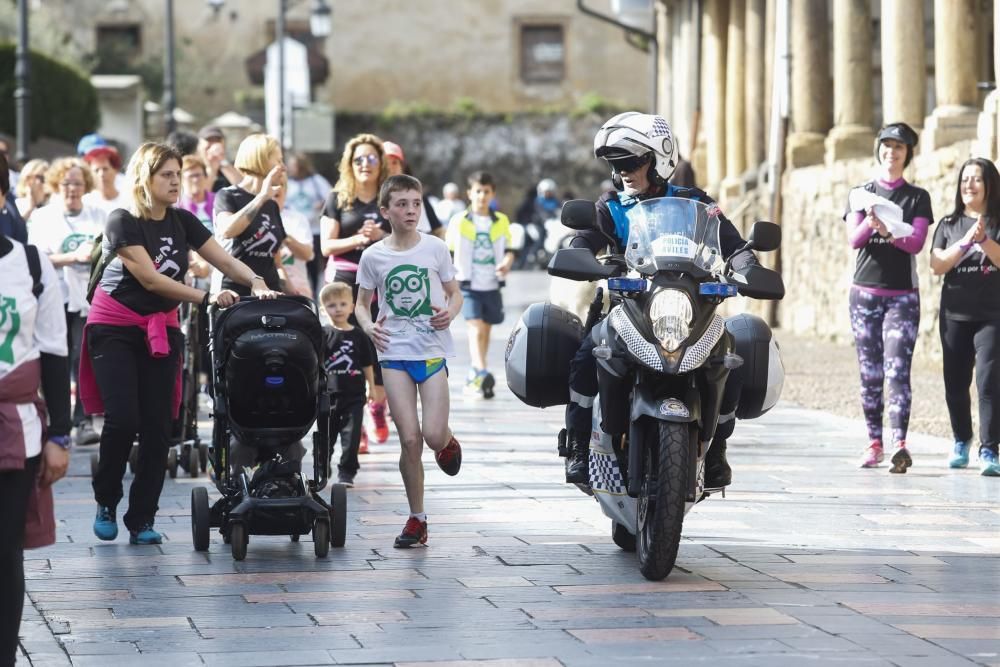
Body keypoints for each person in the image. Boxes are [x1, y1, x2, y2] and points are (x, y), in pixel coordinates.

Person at [82, 142, 280, 546]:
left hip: (161, 327)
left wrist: (255, 280)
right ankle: (107, 500)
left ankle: (141, 519)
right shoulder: (122, 220)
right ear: (145, 178)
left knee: (159, 427)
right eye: (166, 176)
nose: (176, 182)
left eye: (177, 175)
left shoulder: (183, 221)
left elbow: (223, 260)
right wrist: (205, 297)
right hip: (115, 325)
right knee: (123, 419)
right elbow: (151, 280)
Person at [562, 111, 758, 488]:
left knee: (729, 355)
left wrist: (747, 264)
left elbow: (731, 243)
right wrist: (579, 251)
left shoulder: (696, 202)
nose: (623, 173)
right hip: (629, 307)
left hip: (687, 305)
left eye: (632, 163)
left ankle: (716, 450)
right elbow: (587, 236)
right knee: (587, 355)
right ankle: (577, 446)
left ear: (659, 159)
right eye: (616, 166)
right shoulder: (611, 205)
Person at [356, 174, 464, 548]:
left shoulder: (435, 248)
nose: (411, 210)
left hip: (431, 350)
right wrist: (370, 327)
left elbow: (455, 294)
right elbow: (361, 305)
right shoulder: (373, 256)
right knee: (410, 440)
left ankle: (449, 442)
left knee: (433, 435)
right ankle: (417, 519)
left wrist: (450, 313)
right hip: (394, 353)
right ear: (385, 211)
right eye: (402, 204)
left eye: (416, 203)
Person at [0, 165, 71, 665]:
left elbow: (53, 350)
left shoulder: (30, 263)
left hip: (15, 433)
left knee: (4, 551)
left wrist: (60, 435)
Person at [844, 122, 933, 473]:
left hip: (902, 298)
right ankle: (873, 442)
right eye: (886, 146)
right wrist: (871, 223)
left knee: (897, 370)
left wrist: (889, 231)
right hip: (864, 295)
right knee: (870, 373)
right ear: (878, 150)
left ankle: (900, 443)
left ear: (907, 154)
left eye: (899, 148)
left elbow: (916, 243)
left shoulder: (917, 197)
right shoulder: (860, 193)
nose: (891, 153)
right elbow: (853, 239)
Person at [28, 157, 108, 447]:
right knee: (56, 358)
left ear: (85, 185)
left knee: (84, 358)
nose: (71, 189)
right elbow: (35, 258)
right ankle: (54, 418)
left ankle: (83, 419)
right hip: (54, 297)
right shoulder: (43, 217)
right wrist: (73, 258)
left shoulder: (99, 214)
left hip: (90, 298)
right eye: (65, 183)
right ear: (55, 186)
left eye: (77, 183)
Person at [930, 157, 1000, 476]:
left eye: (976, 179)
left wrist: (984, 240)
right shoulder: (948, 224)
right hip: (955, 314)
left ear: (990, 185)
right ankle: (961, 439)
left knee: (988, 383)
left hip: (992, 315)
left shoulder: (998, 221)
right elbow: (937, 264)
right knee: (955, 383)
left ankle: (989, 449)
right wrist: (965, 242)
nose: (968, 185)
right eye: (964, 179)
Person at [320, 133, 392, 444]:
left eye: (371, 158)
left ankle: (376, 405)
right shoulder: (338, 198)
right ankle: (354, 421)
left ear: (381, 164)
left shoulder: (388, 198)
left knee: (379, 346)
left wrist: (380, 235)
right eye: (358, 159)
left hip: (381, 281)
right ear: (350, 164)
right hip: (345, 279)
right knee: (346, 349)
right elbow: (326, 245)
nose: (365, 164)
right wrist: (358, 240)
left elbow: (405, 238)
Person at [446, 171, 515, 398]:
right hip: (467, 282)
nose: (482, 196)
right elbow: (449, 252)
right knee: (474, 327)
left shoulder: (501, 221)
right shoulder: (459, 221)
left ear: (492, 193)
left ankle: (475, 372)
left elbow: (509, 250)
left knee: (485, 329)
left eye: (486, 192)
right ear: (469, 193)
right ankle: (481, 370)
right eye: (478, 191)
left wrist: (505, 263)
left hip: (492, 283)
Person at [212, 133, 287, 296]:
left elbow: (275, 259)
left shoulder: (272, 204)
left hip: (270, 293)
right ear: (261, 160)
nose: (283, 167)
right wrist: (260, 198)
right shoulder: (227, 195)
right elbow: (227, 230)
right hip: (233, 295)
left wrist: (290, 288)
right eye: (278, 160)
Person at [320, 282, 375, 486]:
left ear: (352, 306)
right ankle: (322, 467)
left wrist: (371, 387)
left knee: (352, 438)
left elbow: (367, 363)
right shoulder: (322, 335)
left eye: (343, 304)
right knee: (325, 436)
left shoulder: (359, 335)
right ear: (323, 309)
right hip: (328, 396)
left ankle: (347, 473)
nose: (339, 309)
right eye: (332, 305)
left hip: (354, 396)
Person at [285, 152, 333, 294]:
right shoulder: (288, 183)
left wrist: (321, 205)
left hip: (315, 229)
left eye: (297, 166)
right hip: (294, 231)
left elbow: (331, 196)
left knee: (314, 263)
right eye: (292, 166)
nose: (295, 170)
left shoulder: (316, 181)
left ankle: (314, 290)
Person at [382, 141, 445, 239]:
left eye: (394, 163)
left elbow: (437, 229)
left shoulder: (416, 196)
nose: (390, 168)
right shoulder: (370, 198)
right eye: (385, 163)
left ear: (402, 167)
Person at [275, 180, 316, 297]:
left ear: (286, 191)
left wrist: (283, 236)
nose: (273, 197)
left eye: (277, 195)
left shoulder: (297, 219)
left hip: (298, 292)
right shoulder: (254, 218)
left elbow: (307, 255)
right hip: (265, 292)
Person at [82, 145, 132, 215]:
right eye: (96, 170)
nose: (101, 174)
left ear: (115, 171)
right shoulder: (86, 202)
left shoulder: (129, 201)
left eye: (105, 169)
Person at [197, 125, 242, 194]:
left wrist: (222, 161)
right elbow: (200, 196)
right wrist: (212, 170)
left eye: (217, 140)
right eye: (209, 140)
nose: (213, 148)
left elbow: (243, 188)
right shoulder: (194, 167)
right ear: (199, 147)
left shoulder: (232, 166)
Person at [13, 158, 50, 223]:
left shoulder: (53, 205)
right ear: (27, 179)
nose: (46, 182)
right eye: (42, 178)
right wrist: (30, 209)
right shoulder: (16, 205)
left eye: (49, 177)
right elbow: (13, 230)